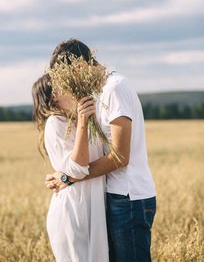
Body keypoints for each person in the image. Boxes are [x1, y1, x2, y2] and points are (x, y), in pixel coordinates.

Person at [45, 38, 156, 262]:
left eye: (67, 78)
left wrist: (70, 177)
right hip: (116, 195)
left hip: (129, 197)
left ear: (79, 66)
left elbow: (120, 156)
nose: (67, 88)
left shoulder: (115, 88)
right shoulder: (101, 92)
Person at [32, 73, 109, 262]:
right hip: (73, 212)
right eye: (65, 84)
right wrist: (83, 122)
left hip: (92, 209)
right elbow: (77, 167)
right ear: (54, 96)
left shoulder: (82, 119)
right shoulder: (55, 124)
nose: (73, 88)